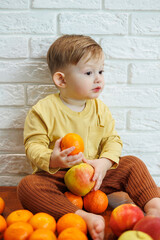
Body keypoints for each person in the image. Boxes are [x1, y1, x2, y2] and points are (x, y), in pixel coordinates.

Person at [17, 35, 160, 240]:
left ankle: (154, 209)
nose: (98, 78)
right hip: (59, 179)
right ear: (61, 80)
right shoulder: (43, 111)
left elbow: (113, 139)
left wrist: (104, 162)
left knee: (133, 164)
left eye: (101, 71)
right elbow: (33, 146)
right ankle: (80, 216)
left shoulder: (100, 108)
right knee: (27, 187)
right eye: (89, 72)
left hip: (96, 176)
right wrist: (53, 158)